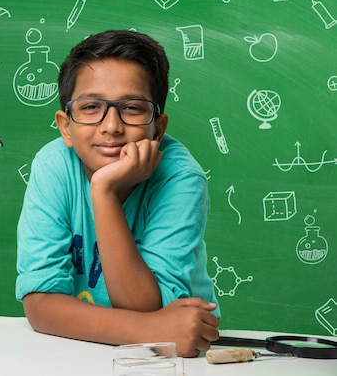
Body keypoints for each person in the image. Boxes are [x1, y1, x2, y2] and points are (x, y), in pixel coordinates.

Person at [15, 30, 220, 358]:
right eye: (92, 106)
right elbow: (39, 304)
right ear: (66, 126)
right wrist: (153, 330)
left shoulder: (180, 177)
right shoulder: (53, 166)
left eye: (133, 108)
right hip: (78, 350)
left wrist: (103, 191)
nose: (111, 126)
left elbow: (146, 306)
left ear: (159, 127)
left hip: (169, 360)